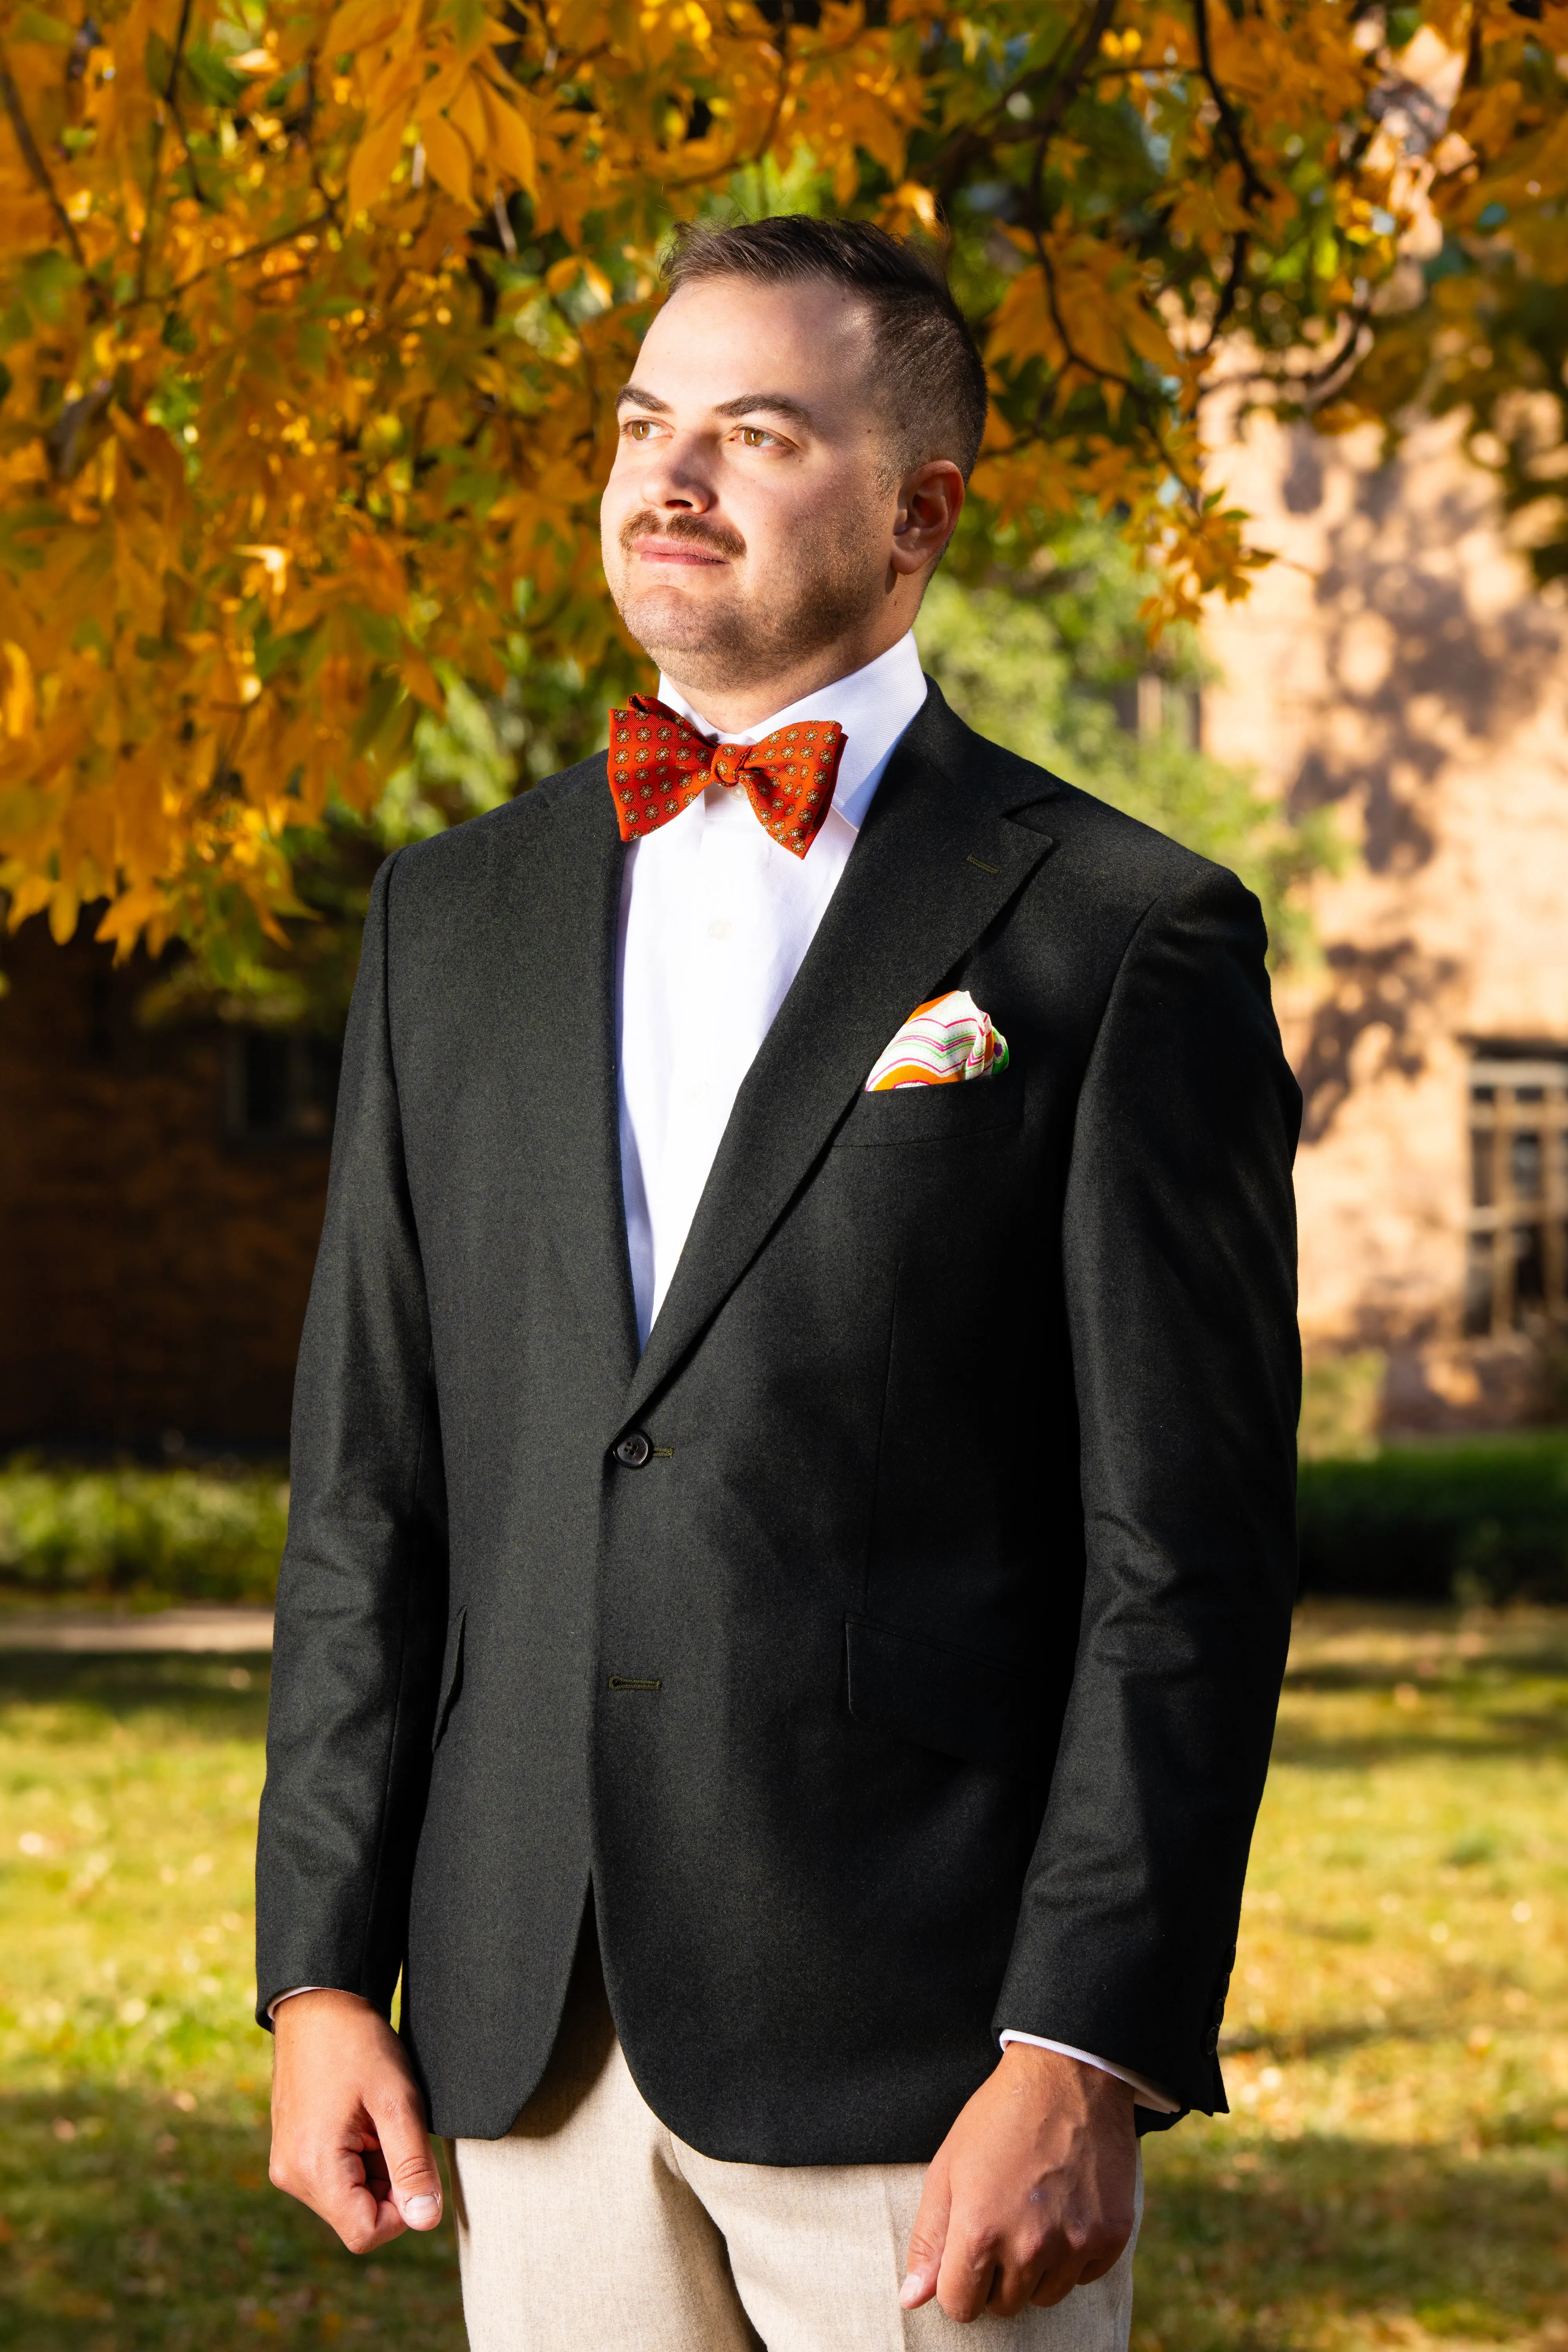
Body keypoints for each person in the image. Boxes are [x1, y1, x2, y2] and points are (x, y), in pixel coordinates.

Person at [257, 216, 1300, 2350]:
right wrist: (312, 1975)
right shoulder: (443, 924)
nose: (671, 478)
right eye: (646, 425)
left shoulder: (1119, 933)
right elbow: (374, 1492)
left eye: (757, 432)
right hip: (523, 2035)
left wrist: (1082, 2046)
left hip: (931, 2063)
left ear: (918, 509)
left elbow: (1179, 1559)